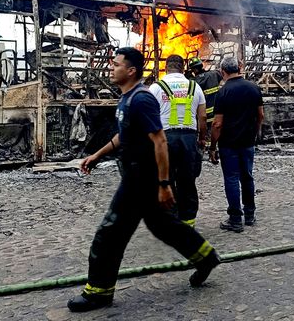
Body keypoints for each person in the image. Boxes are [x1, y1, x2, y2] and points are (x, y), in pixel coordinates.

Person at [68, 48, 220, 312]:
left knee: (109, 233)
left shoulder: (142, 99)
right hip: (136, 176)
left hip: (140, 180)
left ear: (131, 71)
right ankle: (205, 257)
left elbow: (159, 140)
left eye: (116, 65)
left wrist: (163, 185)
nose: (111, 69)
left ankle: (98, 292)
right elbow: (123, 137)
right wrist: (97, 155)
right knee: (166, 227)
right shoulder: (127, 100)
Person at [149, 54, 207, 227]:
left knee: (166, 179)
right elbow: (202, 117)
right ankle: (188, 221)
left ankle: (171, 219)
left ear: (166, 68)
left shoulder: (156, 88)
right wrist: (202, 139)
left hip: (164, 139)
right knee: (187, 180)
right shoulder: (194, 86)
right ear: (183, 68)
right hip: (189, 138)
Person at [209, 56, 264, 233]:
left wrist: (212, 146)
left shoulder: (223, 93)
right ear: (239, 68)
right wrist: (254, 133)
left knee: (232, 178)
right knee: (247, 176)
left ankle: (235, 219)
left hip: (228, 144)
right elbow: (260, 115)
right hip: (247, 142)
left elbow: (217, 124)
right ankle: (249, 215)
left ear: (223, 71)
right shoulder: (254, 88)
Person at [189, 56, 223, 125]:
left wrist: (188, 77)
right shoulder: (214, 74)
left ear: (194, 70)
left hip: (203, 117)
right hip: (217, 115)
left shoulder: (193, 82)